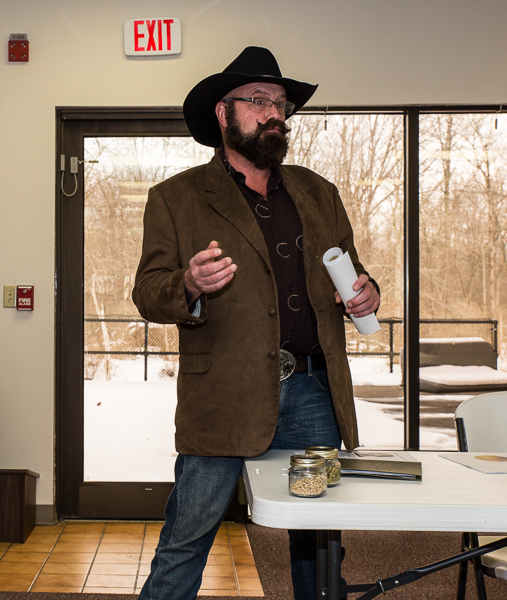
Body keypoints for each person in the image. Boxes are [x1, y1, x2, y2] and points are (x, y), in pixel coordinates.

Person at [131, 46, 380, 600]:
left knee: (319, 545)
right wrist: (189, 285)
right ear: (224, 114)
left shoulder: (319, 193)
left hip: (314, 391)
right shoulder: (175, 199)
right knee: (186, 539)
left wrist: (366, 295)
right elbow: (148, 293)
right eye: (259, 101)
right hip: (223, 395)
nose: (274, 114)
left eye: (281, 105)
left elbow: (354, 274)